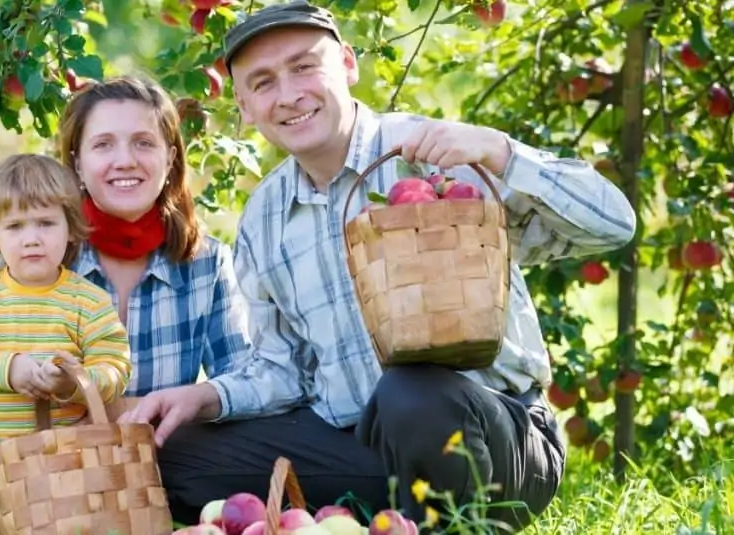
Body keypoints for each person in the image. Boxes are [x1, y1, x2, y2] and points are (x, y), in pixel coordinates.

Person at [118, 1, 638, 531]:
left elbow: (613, 223)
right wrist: (205, 396)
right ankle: (373, 521)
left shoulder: (434, 154)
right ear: (246, 107)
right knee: (176, 453)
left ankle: (455, 524)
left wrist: (499, 151)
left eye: (304, 67)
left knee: (410, 392)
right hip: (363, 447)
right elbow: (284, 369)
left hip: (490, 440)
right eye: (264, 82)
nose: (290, 94)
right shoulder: (265, 217)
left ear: (347, 64)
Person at [0, 77, 252, 535]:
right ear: (77, 164)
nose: (124, 160)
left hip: (127, 481)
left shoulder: (206, 265)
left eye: (143, 142)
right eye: (103, 144)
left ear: (170, 158)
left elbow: (245, 378)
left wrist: (167, 401)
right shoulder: (34, 245)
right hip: (2, 470)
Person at [0, 152, 133, 514]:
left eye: (45, 223)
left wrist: (71, 383)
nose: (31, 239)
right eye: (15, 227)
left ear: (71, 228)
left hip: (67, 475)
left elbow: (115, 369)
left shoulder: (88, 301)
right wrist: (11, 370)